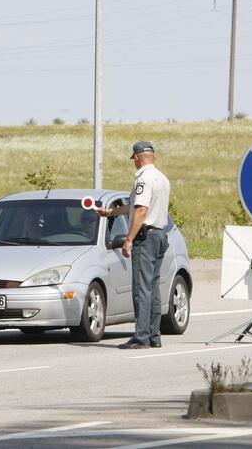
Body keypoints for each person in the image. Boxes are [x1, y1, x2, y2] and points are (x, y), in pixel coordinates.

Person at [97, 141, 171, 349]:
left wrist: (129, 239)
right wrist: (110, 212)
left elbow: (140, 210)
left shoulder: (144, 179)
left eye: (134, 160)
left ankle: (141, 337)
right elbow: (133, 206)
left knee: (141, 288)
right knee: (153, 288)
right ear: (153, 157)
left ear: (137, 158)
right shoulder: (161, 178)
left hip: (145, 238)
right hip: (159, 235)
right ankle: (154, 336)